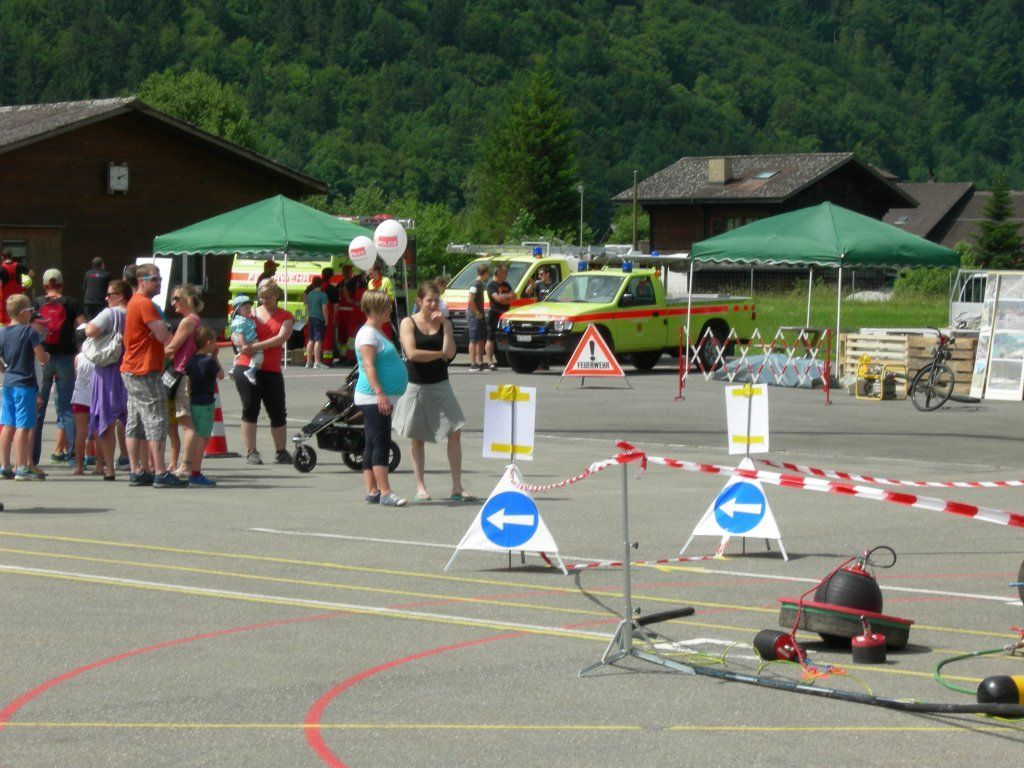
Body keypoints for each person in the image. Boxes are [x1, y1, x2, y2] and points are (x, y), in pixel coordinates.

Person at [393, 282, 474, 502]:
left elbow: (450, 353)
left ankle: (457, 487)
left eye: (436, 300)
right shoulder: (408, 323)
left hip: (441, 383)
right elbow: (412, 353)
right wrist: (439, 354)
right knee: (417, 437)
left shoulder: (443, 323)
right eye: (429, 300)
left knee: (456, 428)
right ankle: (420, 486)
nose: (433, 304)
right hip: (417, 385)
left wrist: (445, 327)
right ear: (419, 301)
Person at [120, 263, 185, 488]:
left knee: (135, 420)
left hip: (132, 368)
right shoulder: (145, 303)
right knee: (157, 418)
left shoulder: (134, 303)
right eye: (155, 279)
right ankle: (159, 471)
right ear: (142, 281)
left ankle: (137, 470)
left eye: (159, 278)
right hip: (144, 369)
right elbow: (162, 336)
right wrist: (178, 339)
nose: (159, 283)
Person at [354, 290, 408, 507]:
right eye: (387, 307)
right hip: (373, 396)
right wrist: (379, 394)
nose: (390, 310)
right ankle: (385, 492)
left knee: (371, 441)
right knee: (380, 442)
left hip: (377, 396)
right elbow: (368, 365)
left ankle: (372, 490)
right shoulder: (368, 334)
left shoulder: (376, 332)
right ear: (376, 309)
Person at [232, 280, 294, 465]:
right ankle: (251, 451)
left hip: (271, 369)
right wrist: (240, 344)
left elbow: (280, 338)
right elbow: (235, 330)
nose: (265, 301)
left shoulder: (286, 316)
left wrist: (255, 346)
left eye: (269, 297)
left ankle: (281, 451)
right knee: (250, 408)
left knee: (277, 411)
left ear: (277, 295)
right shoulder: (250, 313)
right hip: (246, 365)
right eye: (261, 297)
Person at [32, 268, 85, 466]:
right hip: (65, 357)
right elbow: (82, 326)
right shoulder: (70, 302)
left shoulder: (38, 302)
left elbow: (33, 329)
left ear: (45, 285)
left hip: (43, 357)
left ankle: (32, 458)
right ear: (62, 284)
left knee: (39, 407)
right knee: (66, 408)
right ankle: (73, 456)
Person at [0, 294, 48, 480]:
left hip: (9, 383)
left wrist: (4, 369)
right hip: (26, 383)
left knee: (8, 425)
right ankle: (22, 466)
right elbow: (41, 357)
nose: (31, 314)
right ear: (22, 313)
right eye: (29, 311)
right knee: (23, 426)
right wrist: (47, 358)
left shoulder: (2, 332)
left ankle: (5, 465)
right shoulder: (29, 332)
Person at [85, 279, 130, 481]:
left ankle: (109, 467)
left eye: (110, 294)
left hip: (108, 370)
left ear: (120, 296)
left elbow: (90, 330)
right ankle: (138, 463)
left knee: (105, 420)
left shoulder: (110, 313)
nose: (106, 298)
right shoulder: (136, 312)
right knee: (132, 420)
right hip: (130, 368)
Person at [163, 284, 203, 476]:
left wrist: (152, 354)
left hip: (184, 374)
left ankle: (186, 465)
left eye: (177, 298)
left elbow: (172, 348)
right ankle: (186, 464)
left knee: (187, 421)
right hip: (185, 373)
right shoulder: (193, 320)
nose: (173, 303)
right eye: (173, 299)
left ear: (189, 299)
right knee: (184, 420)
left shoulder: (189, 321)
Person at [183, 326, 224, 487]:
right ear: (208, 342)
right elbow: (221, 375)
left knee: (195, 435)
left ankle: (190, 467)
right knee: (203, 437)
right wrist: (215, 358)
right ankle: (196, 472)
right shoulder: (208, 361)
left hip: (193, 401)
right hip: (206, 403)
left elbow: (187, 380)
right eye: (214, 341)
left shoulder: (191, 361)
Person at [70, 341, 97, 475]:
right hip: (96, 396)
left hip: (80, 396)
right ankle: (100, 466)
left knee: (81, 431)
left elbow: (77, 376)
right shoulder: (99, 356)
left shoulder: (78, 357)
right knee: (99, 431)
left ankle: (79, 466)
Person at [484, 263, 514, 371]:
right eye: (505, 272)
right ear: (499, 273)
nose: (506, 274)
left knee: (507, 336)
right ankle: (490, 362)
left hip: (505, 314)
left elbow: (513, 296)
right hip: (495, 313)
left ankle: (508, 360)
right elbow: (498, 299)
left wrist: (504, 297)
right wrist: (506, 298)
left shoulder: (506, 284)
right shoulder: (491, 285)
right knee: (491, 337)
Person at [227, 295, 261, 384]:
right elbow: (240, 335)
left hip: (245, 342)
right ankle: (252, 370)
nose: (249, 310)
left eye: (250, 308)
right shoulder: (241, 321)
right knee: (259, 354)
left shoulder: (245, 319)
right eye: (246, 308)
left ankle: (234, 367)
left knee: (240, 354)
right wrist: (244, 345)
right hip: (247, 342)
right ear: (238, 310)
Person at [0, 252, 33, 325]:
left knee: (5, 324)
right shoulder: (20, 266)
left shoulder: (1, 269)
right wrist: (25, 284)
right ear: (11, 257)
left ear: (2, 257)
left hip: (5, 303)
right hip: (19, 300)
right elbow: (31, 273)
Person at [304, 276, 329, 369]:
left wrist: (307, 316)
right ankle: (317, 361)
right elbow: (324, 308)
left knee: (311, 340)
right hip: (319, 318)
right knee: (318, 340)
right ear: (321, 284)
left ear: (312, 284)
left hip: (311, 318)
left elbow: (306, 306)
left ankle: (308, 361)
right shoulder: (323, 295)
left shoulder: (309, 294)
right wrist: (326, 319)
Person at [467, 263, 488, 372]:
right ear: (486, 273)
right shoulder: (475, 285)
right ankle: (473, 363)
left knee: (480, 338)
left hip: (479, 314)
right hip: (474, 314)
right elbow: (470, 300)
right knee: (473, 339)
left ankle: (480, 362)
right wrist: (477, 312)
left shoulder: (480, 284)